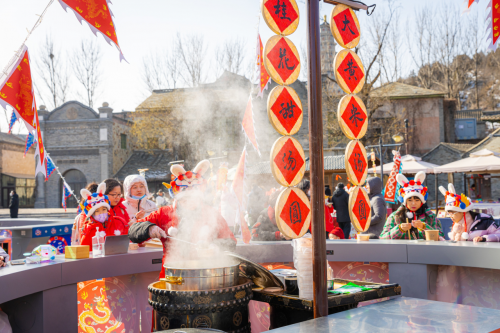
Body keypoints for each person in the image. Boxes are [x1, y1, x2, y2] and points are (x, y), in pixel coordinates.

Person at [128, 160, 237, 280]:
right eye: (185, 199)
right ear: (178, 197)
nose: (190, 202)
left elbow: (230, 242)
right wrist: (149, 228)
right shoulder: (164, 213)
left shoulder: (212, 214)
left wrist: (215, 247)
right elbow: (132, 231)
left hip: (205, 276)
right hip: (172, 276)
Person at [380, 172, 444, 240]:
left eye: (417, 200)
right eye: (410, 200)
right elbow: (383, 237)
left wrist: (424, 227)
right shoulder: (395, 216)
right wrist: (399, 229)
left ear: (422, 201)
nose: (413, 203)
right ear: (404, 201)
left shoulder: (431, 217)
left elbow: (440, 237)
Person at [79, 182, 129, 251]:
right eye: (97, 211)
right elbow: (84, 251)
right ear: (92, 214)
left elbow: (128, 242)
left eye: (104, 209)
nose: (101, 213)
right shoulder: (88, 229)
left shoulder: (119, 222)